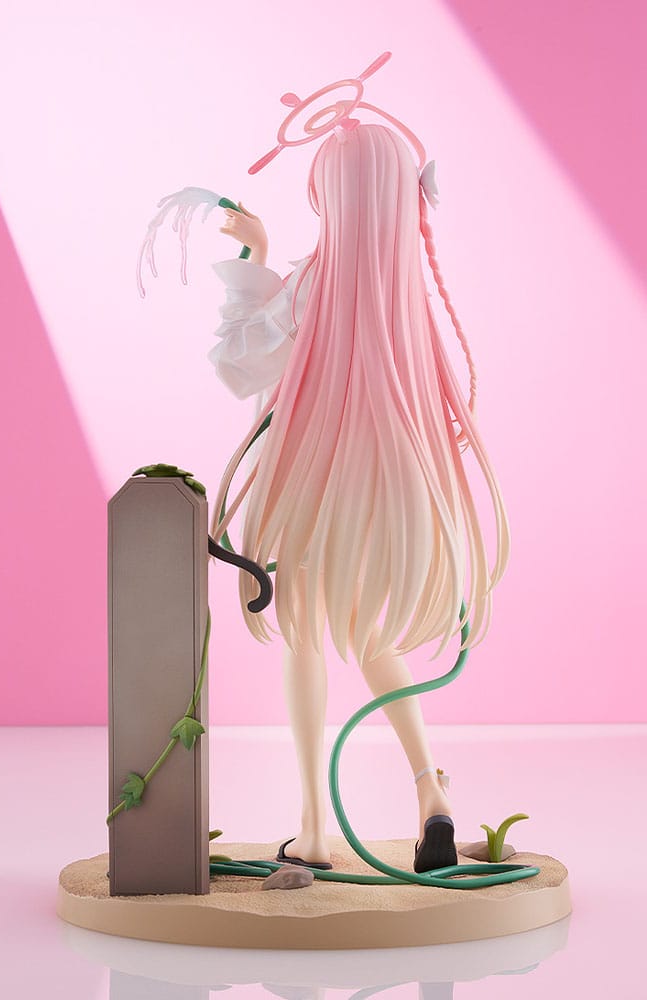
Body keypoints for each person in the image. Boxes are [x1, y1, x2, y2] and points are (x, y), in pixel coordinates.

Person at [207, 122, 510, 871]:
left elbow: (242, 364)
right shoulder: (405, 303)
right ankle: (430, 790)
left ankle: (314, 829)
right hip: (390, 499)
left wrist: (256, 255)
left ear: (331, 197)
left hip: (312, 491)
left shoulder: (314, 287)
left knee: (306, 636)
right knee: (371, 633)